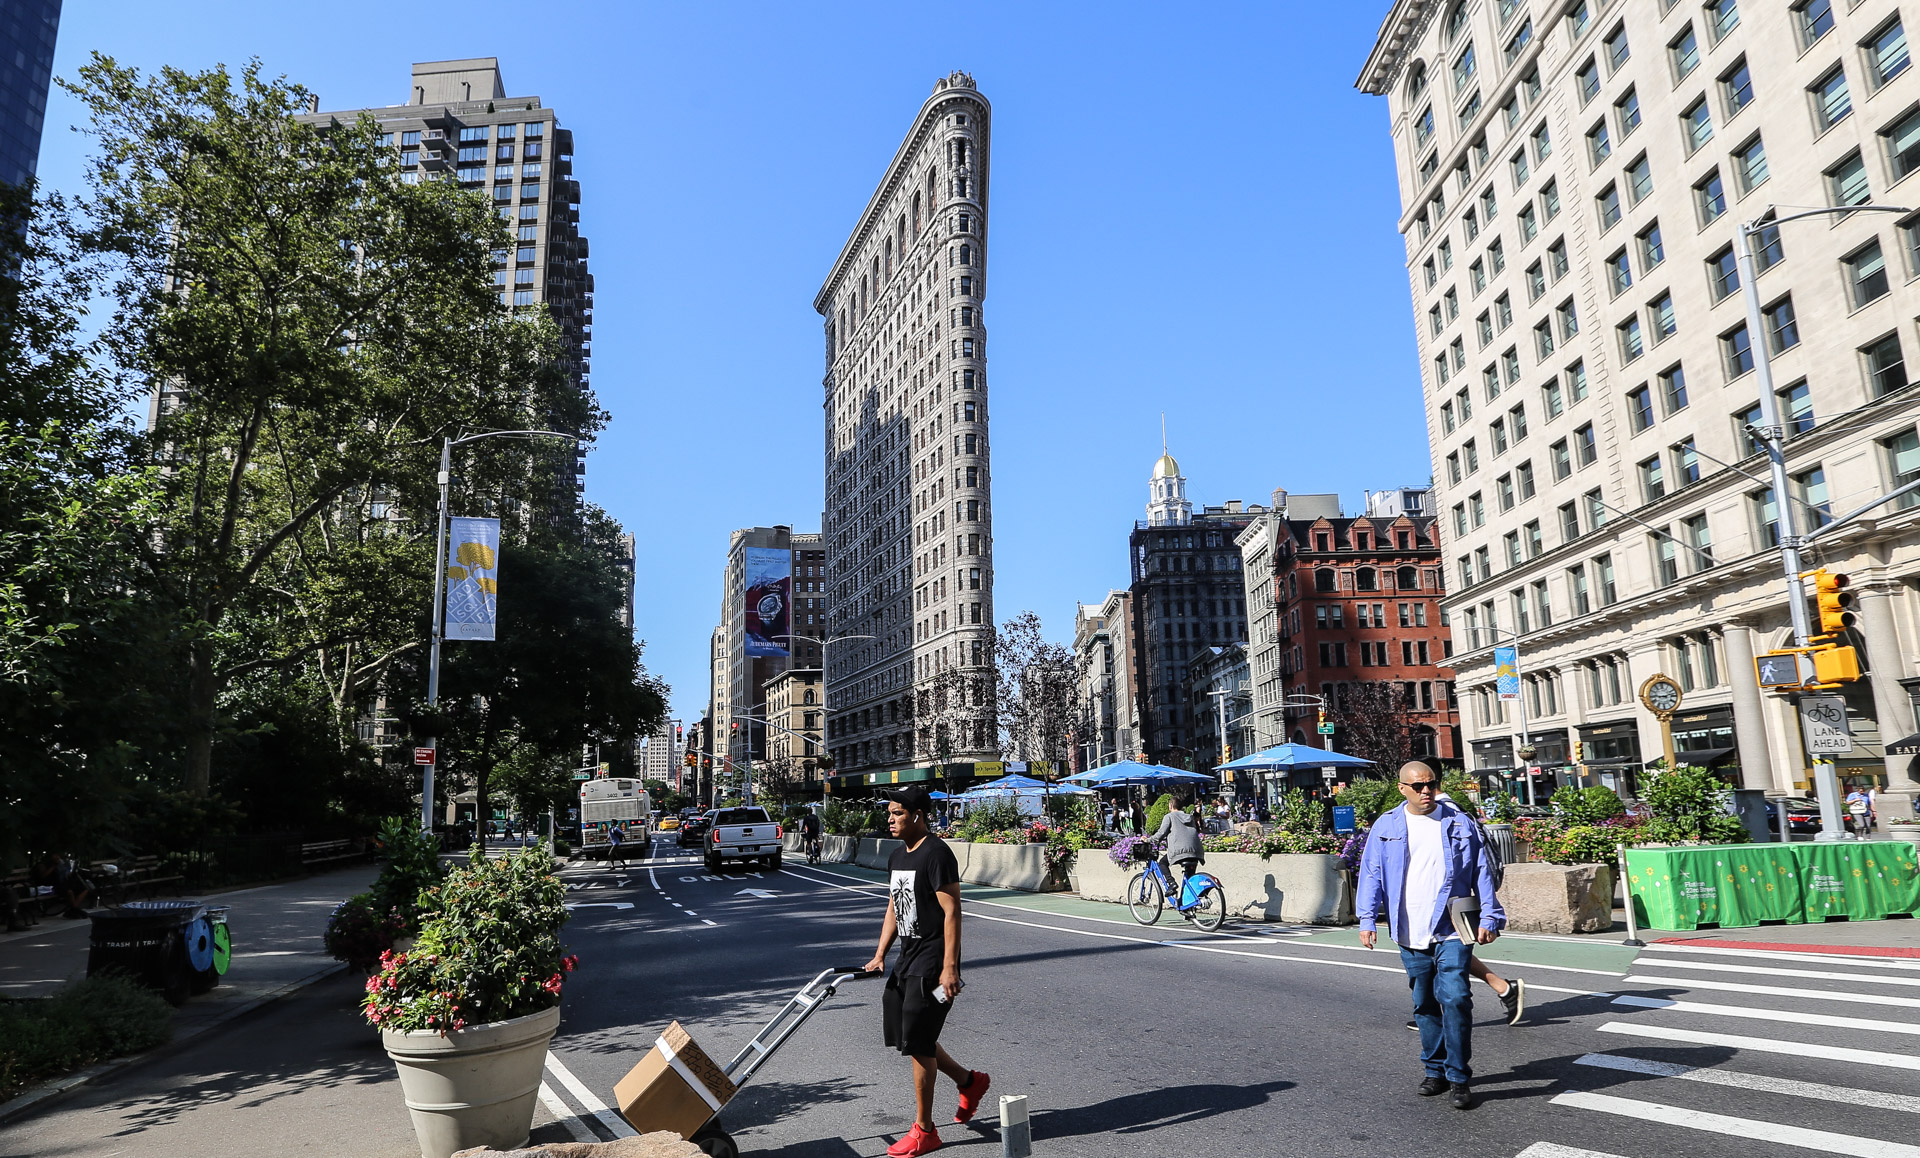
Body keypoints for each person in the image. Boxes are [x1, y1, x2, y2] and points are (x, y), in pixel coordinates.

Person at [1357, 761, 1507, 1110]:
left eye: (1431, 784)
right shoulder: (1386, 826)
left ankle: (1458, 1077)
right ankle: (1434, 1070)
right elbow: (1371, 874)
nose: (1427, 791)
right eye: (1418, 786)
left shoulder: (1459, 822)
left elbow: (1482, 871)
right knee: (1424, 1004)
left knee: (1455, 997)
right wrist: (1366, 919)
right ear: (1402, 789)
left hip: (1453, 927)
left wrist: (1491, 915)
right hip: (1409, 931)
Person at [861, 786, 989, 1157]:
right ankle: (969, 1082)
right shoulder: (898, 856)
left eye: (897, 813)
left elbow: (953, 911)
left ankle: (925, 1129)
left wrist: (950, 969)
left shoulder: (937, 854)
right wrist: (880, 953)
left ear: (917, 815)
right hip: (907, 960)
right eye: (889, 812)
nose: (890, 819)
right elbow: (893, 906)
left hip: (933, 964)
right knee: (910, 1032)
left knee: (918, 1039)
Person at [1152, 795, 1205, 897]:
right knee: (1189, 879)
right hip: (1196, 851)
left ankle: (1171, 883)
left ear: (1171, 805)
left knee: (1162, 863)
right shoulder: (1189, 817)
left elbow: (1161, 833)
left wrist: (1148, 839)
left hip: (1180, 852)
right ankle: (1187, 906)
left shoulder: (1169, 817)